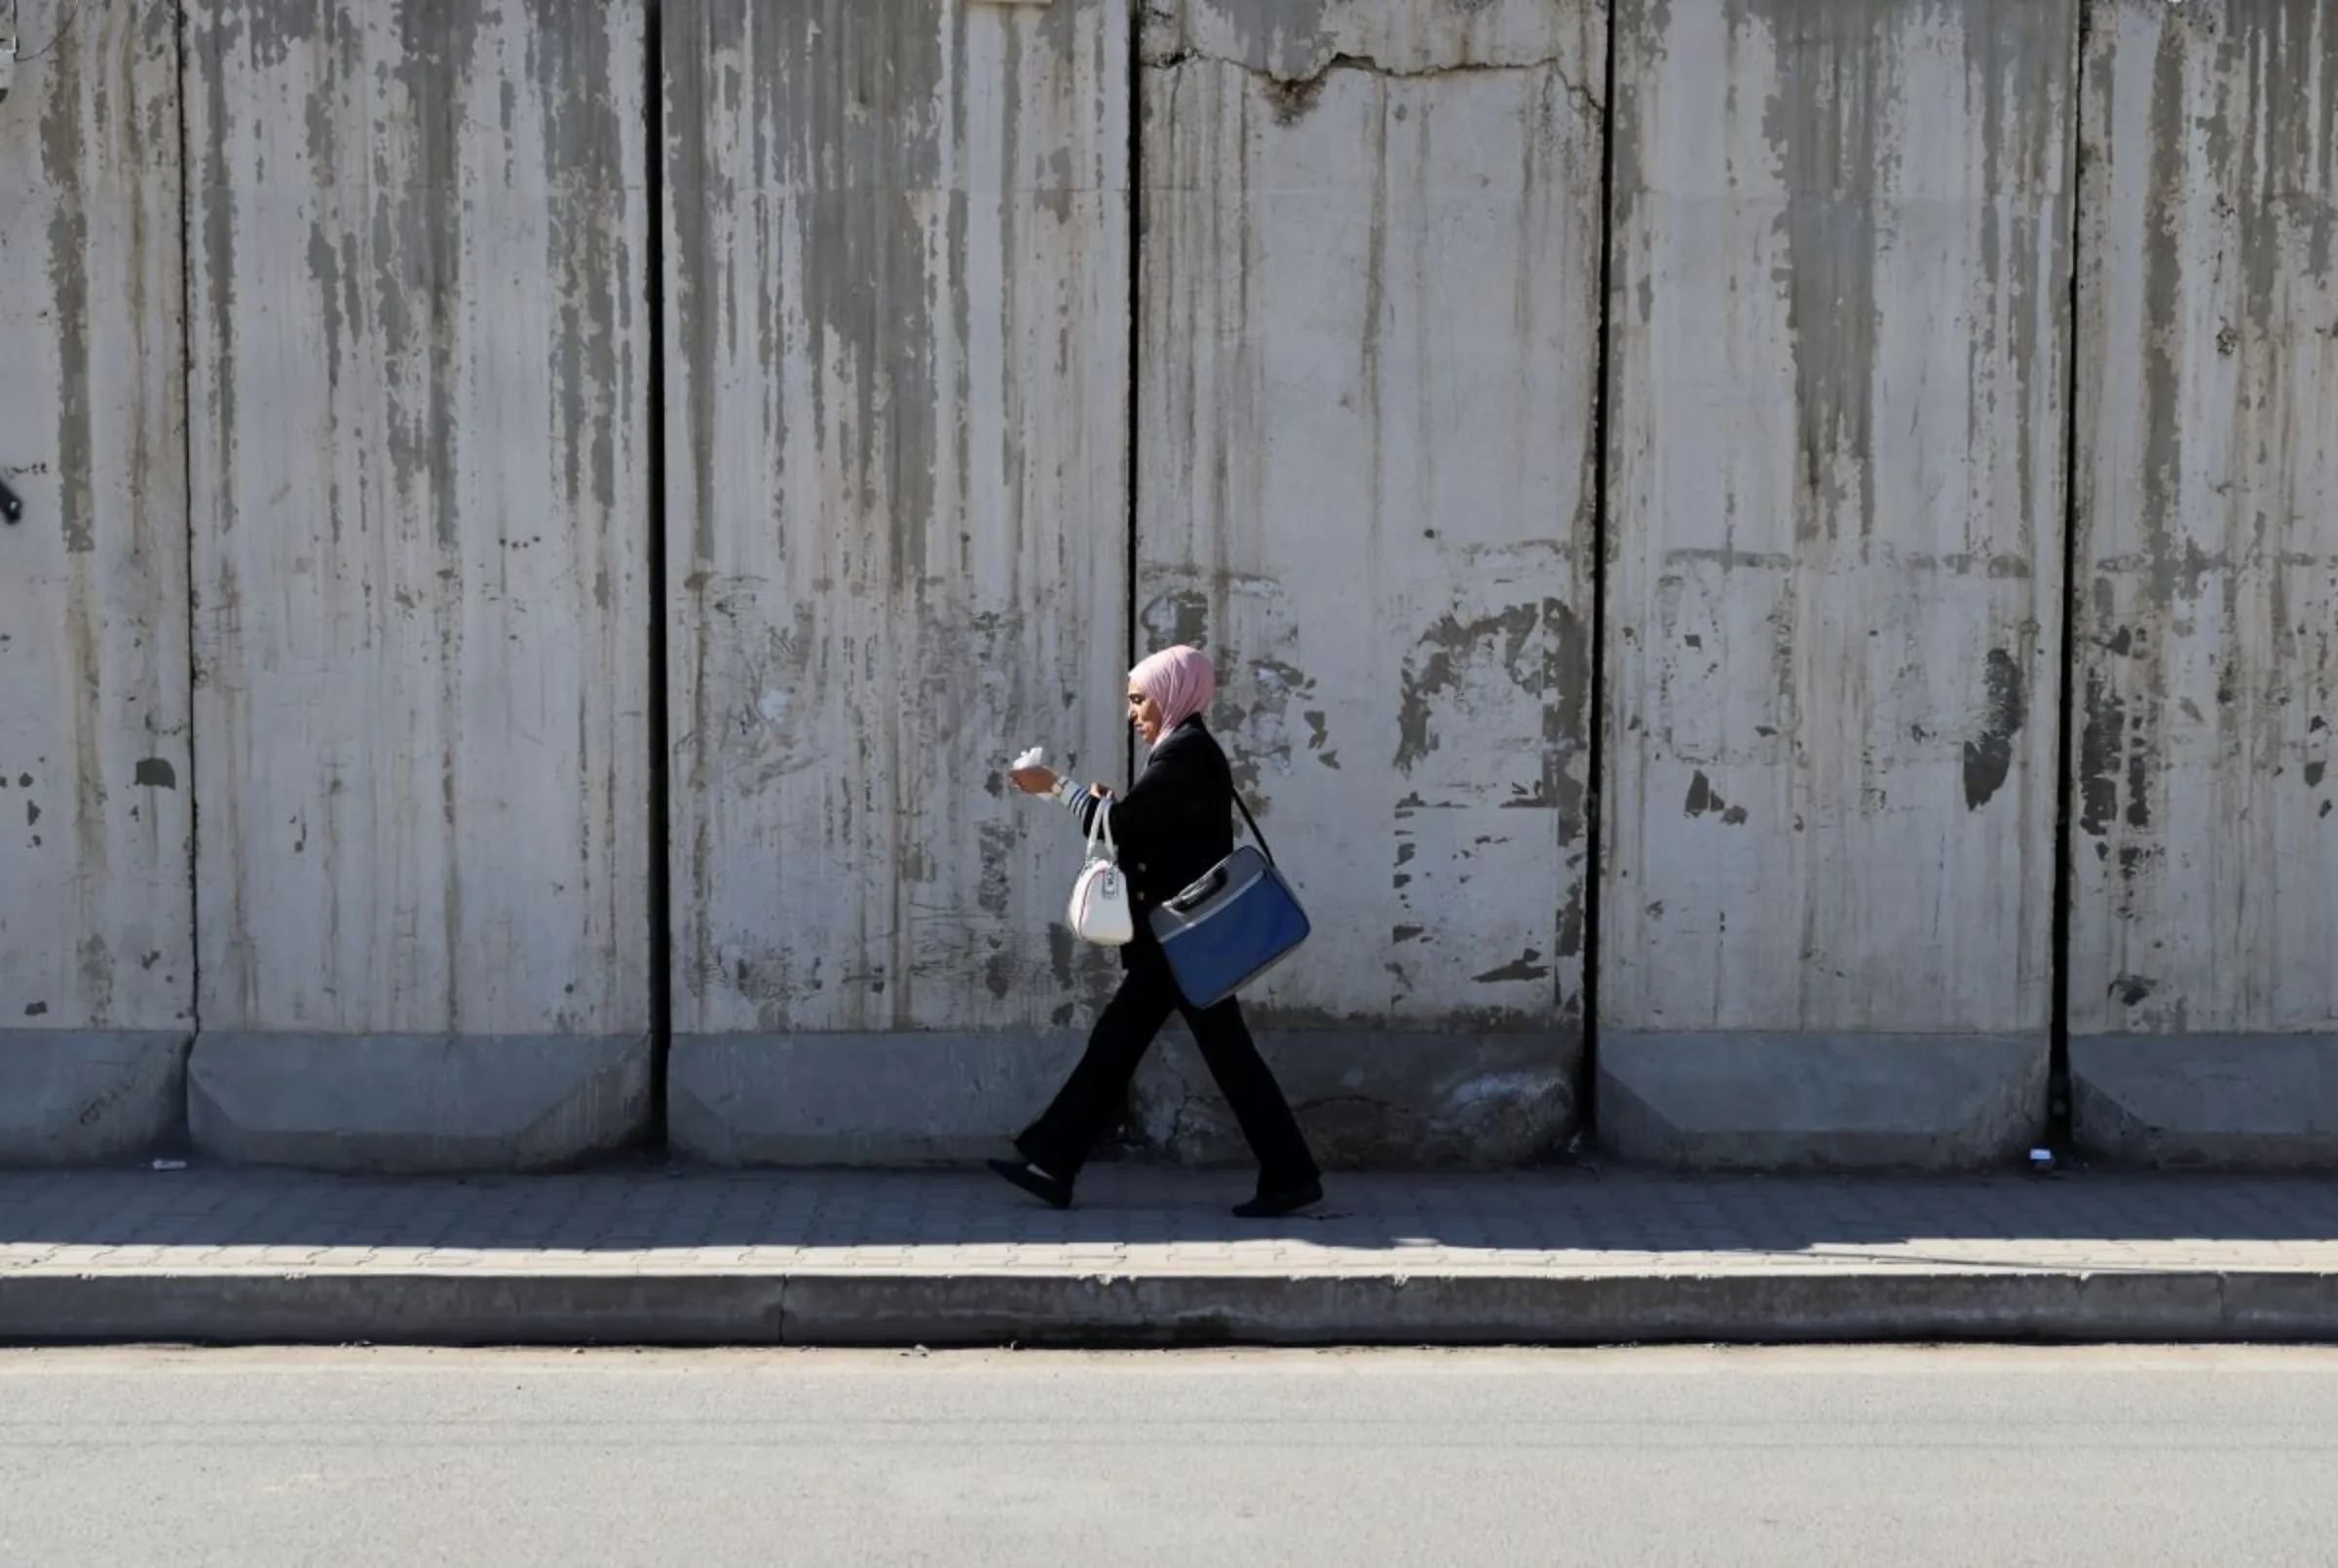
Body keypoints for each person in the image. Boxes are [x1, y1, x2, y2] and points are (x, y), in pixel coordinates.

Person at [998, 645, 1324, 1218]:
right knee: (1153, 1051)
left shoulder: (1186, 753)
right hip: (1178, 940)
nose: (1132, 712)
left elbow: (1122, 827)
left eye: (1138, 698)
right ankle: (1054, 1159)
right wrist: (1102, 805)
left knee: (1133, 1050)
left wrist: (1056, 787)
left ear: (1173, 692)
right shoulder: (1182, 753)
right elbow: (1148, 829)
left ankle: (1055, 1159)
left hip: (1179, 942)